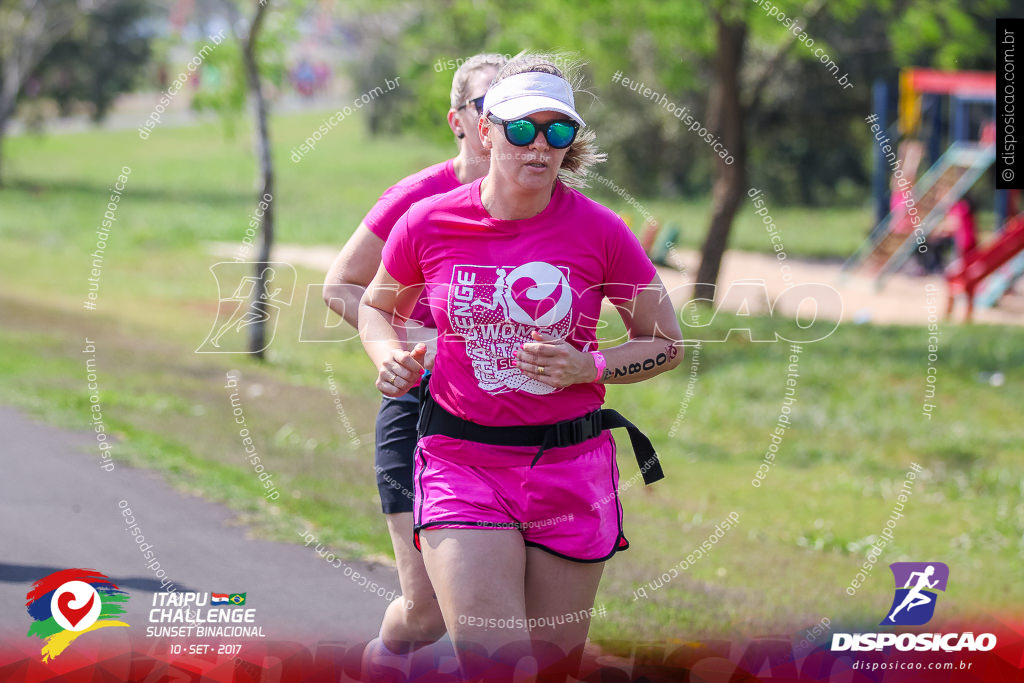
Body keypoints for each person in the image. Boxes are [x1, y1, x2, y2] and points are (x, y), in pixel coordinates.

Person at [359, 53, 683, 679]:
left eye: (557, 131)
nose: (539, 146)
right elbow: (376, 307)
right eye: (520, 129)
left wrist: (587, 366)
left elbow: (665, 343)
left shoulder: (601, 232)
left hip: (571, 470)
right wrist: (389, 357)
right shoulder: (429, 220)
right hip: (463, 463)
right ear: (485, 131)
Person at [322, 53, 507, 672]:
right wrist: (401, 347)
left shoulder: (547, 202)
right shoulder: (418, 197)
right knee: (426, 613)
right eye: (490, 107)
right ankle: (383, 660)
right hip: (421, 408)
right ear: (460, 121)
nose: (507, 122)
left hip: (516, 421)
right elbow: (342, 286)